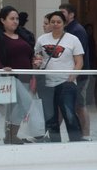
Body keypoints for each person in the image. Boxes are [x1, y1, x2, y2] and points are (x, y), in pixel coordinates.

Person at [0, 5, 35, 145]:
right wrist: (1, 69)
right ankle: (13, 134)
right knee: (27, 102)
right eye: (12, 18)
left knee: (15, 107)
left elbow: (29, 53)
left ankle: (9, 136)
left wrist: (35, 61)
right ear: (2, 20)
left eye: (17, 18)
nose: (15, 21)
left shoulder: (24, 35)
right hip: (10, 77)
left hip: (25, 75)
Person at [33, 11, 84, 142]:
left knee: (69, 114)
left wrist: (71, 78)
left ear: (64, 24)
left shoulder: (73, 39)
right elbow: (37, 58)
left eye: (59, 22)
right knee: (50, 117)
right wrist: (36, 63)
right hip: (47, 84)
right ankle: (55, 143)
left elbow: (79, 62)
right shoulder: (42, 39)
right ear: (48, 23)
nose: (55, 24)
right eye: (52, 22)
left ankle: (76, 141)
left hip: (66, 83)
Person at [58, 3, 93, 140]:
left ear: (71, 15)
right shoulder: (66, 29)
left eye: (63, 12)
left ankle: (86, 135)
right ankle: (52, 132)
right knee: (61, 105)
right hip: (67, 75)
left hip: (79, 75)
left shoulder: (77, 30)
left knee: (79, 105)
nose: (60, 15)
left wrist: (74, 74)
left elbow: (79, 55)